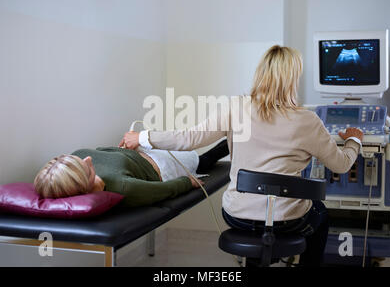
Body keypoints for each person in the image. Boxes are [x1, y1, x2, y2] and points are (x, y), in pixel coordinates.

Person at [119, 45, 364, 266]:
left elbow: (188, 138)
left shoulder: (235, 107)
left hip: (238, 216)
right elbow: (341, 165)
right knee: (320, 213)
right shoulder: (308, 121)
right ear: (293, 79)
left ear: (261, 74)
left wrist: (141, 137)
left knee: (261, 226)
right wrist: (353, 139)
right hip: (288, 220)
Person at [33, 140, 230, 207]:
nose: (87, 159)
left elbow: (103, 151)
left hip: (142, 151)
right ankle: (238, 138)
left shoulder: (78, 154)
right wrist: (188, 183)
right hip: (165, 168)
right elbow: (164, 189)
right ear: (81, 185)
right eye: (85, 167)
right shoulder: (123, 187)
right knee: (203, 161)